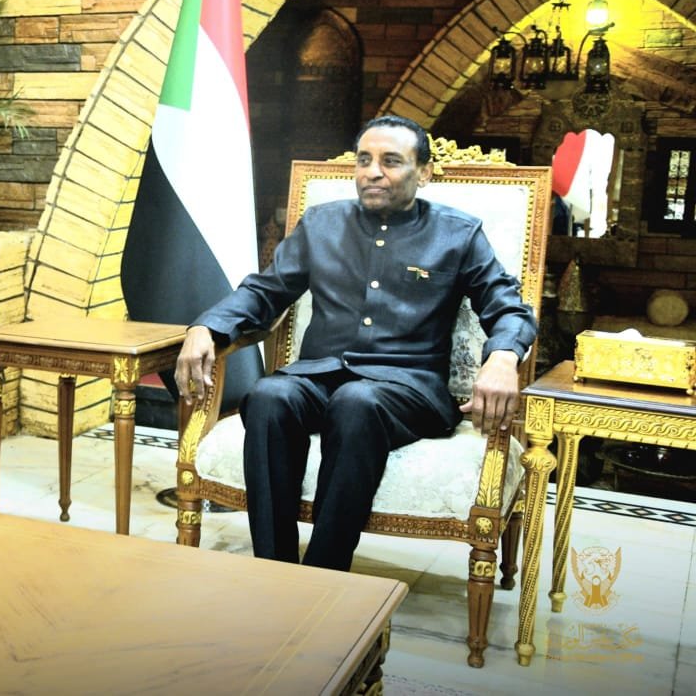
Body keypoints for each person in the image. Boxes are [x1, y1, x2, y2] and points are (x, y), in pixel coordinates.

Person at [175, 114, 536, 571]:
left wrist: (503, 356)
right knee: (268, 395)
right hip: (320, 374)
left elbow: (508, 307)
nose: (372, 172)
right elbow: (266, 291)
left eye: (391, 161)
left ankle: (325, 575)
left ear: (424, 172)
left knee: (357, 402)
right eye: (364, 160)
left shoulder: (458, 234)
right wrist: (206, 327)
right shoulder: (321, 224)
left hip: (407, 387)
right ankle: (273, 570)